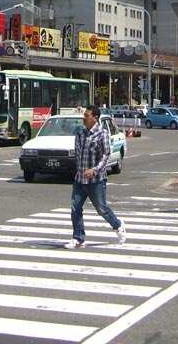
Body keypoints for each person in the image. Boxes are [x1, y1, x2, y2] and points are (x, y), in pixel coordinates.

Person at [65, 105, 126, 249]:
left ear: (95, 118)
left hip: (96, 180)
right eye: (84, 115)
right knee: (75, 207)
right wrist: (77, 172)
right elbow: (78, 155)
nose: (84, 118)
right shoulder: (80, 134)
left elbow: (106, 155)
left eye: (87, 116)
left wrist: (95, 170)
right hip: (80, 179)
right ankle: (79, 238)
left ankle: (118, 225)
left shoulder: (102, 134)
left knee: (102, 209)